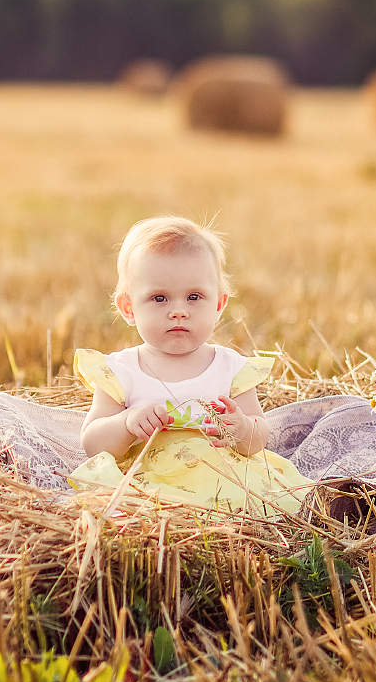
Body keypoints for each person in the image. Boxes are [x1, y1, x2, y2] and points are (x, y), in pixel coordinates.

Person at [70, 216, 311, 514]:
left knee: (269, 506)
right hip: (154, 485)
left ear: (219, 305)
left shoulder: (229, 368)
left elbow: (258, 438)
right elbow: (92, 443)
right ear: (129, 308)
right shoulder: (121, 371)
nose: (179, 311)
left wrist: (242, 428)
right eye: (159, 298)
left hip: (227, 483)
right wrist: (127, 422)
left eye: (194, 297)